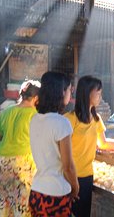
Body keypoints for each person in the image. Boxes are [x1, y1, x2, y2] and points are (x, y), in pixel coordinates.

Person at [65, 75, 114, 217]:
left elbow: (104, 143)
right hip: (69, 176)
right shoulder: (70, 119)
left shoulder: (95, 119)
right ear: (87, 93)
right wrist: (71, 180)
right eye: (98, 92)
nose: (100, 96)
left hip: (87, 176)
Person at [29, 71, 79, 216]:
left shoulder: (35, 120)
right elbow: (68, 166)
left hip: (37, 191)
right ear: (62, 92)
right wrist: (75, 188)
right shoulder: (61, 123)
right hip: (56, 194)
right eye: (69, 89)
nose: (70, 93)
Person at [0, 80, 40, 216]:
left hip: (0, 159)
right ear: (36, 98)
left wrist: (9, 137)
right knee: (21, 201)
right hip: (21, 160)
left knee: (3, 199)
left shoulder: (7, 111)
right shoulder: (35, 114)